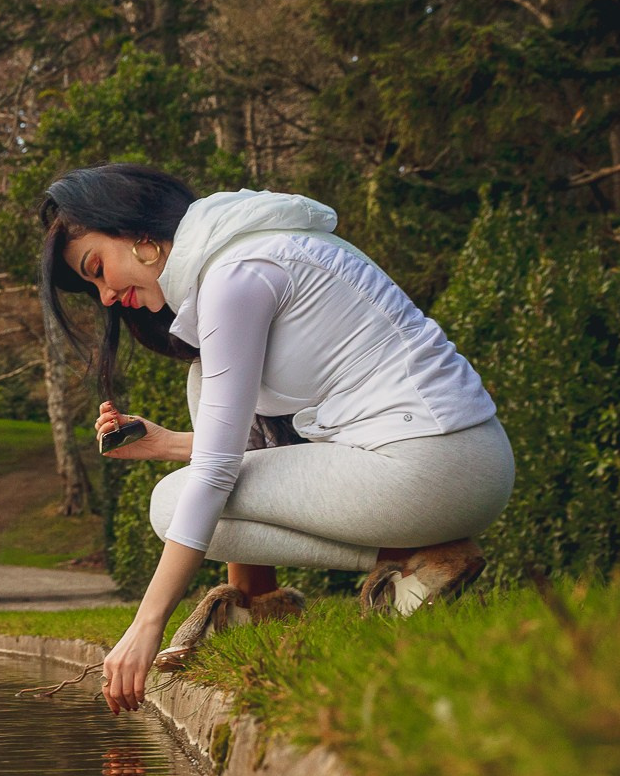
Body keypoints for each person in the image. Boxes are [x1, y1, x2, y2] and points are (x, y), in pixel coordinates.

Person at [39, 164, 514, 713]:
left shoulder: (235, 277)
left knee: (171, 504)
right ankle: (260, 601)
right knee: (202, 381)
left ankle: (420, 555)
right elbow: (249, 452)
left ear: (139, 236)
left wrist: (144, 627)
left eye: (98, 269)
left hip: (427, 467)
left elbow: (220, 471)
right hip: (457, 460)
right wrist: (165, 442)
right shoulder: (255, 247)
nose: (104, 296)